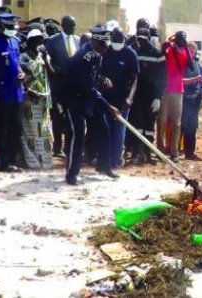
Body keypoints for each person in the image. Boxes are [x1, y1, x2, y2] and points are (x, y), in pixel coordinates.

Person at [63, 25, 120, 185]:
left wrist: (102, 79)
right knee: (78, 135)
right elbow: (87, 88)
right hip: (75, 99)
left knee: (103, 130)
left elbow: (94, 77)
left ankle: (104, 166)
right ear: (95, 41)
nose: (105, 49)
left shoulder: (97, 54)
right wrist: (109, 107)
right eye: (103, 46)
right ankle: (71, 174)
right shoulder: (82, 58)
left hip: (90, 97)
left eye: (106, 46)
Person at [0, 12, 25, 172]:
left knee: (15, 127)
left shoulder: (14, 41)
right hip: (0, 92)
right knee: (1, 129)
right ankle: (2, 162)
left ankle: (12, 160)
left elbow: (16, 63)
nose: (12, 29)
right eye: (9, 27)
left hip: (16, 92)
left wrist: (22, 73)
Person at [101, 27, 139, 169]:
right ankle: (103, 160)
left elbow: (135, 79)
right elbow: (97, 72)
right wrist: (102, 79)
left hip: (122, 100)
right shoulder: (105, 52)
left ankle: (114, 162)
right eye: (115, 41)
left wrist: (129, 99)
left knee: (118, 131)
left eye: (120, 41)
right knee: (104, 129)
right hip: (105, 99)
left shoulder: (130, 54)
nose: (118, 44)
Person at [19, 29, 55, 169]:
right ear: (30, 42)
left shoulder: (44, 57)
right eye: (38, 40)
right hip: (29, 99)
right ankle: (32, 162)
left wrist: (46, 59)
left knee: (44, 131)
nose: (41, 43)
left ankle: (45, 162)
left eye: (42, 40)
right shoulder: (23, 58)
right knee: (30, 132)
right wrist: (29, 91)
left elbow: (53, 74)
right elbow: (21, 78)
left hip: (44, 100)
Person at [45, 15, 79, 159]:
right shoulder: (53, 41)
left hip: (73, 88)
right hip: (58, 86)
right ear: (64, 26)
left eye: (75, 26)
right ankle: (58, 147)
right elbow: (47, 61)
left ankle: (68, 147)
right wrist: (55, 72)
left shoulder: (77, 40)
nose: (74, 28)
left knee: (71, 117)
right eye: (71, 26)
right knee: (57, 118)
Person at [129, 28, 166, 164]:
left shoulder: (157, 54)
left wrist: (158, 97)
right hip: (137, 94)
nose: (140, 42)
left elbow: (163, 78)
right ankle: (136, 152)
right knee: (137, 124)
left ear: (148, 39)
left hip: (151, 95)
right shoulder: (134, 52)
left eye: (143, 39)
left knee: (149, 126)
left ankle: (147, 153)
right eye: (138, 39)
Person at [157, 30, 189, 162]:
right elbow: (162, 56)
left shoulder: (186, 52)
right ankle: (160, 150)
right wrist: (167, 45)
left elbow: (189, 67)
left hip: (178, 90)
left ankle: (174, 152)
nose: (182, 40)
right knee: (162, 121)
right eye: (180, 38)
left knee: (176, 123)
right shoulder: (169, 49)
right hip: (166, 90)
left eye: (184, 38)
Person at [181, 43, 202, 161]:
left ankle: (191, 152)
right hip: (185, 98)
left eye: (193, 51)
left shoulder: (198, 66)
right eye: (189, 51)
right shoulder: (182, 64)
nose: (191, 53)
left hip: (195, 100)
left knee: (193, 127)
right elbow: (181, 81)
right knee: (185, 127)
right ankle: (185, 152)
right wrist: (195, 79)